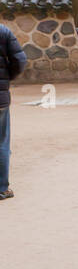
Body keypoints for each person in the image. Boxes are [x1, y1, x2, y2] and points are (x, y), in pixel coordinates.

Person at [0, 22, 27, 202]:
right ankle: (2, 188)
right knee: (1, 142)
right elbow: (20, 60)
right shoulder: (3, 31)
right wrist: (8, 77)